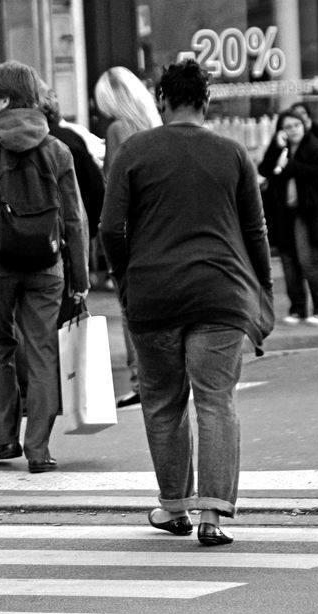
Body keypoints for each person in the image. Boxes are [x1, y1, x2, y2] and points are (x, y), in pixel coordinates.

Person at [99, 59, 274, 545]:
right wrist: (263, 285)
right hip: (220, 295)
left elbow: (111, 228)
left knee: (162, 402)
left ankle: (174, 507)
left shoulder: (134, 151)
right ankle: (213, 516)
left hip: (153, 295)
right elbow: (255, 230)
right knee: (216, 402)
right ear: (207, 100)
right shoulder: (233, 154)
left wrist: (126, 279)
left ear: (161, 100)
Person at [0, 61, 90, 474]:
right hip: (47, 265)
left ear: (6, 100)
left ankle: (6, 436)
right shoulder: (56, 148)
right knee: (43, 352)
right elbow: (75, 219)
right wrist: (78, 278)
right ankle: (39, 448)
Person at [93, 66, 163, 409]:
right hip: (160, 226)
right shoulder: (154, 125)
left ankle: (141, 379)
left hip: (132, 231)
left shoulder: (118, 129)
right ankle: (163, 376)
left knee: (131, 307)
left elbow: (114, 185)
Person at [257, 109, 318, 326]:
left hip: (307, 213)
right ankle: (297, 309)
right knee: (288, 262)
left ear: (304, 126)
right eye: (287, 127)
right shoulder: (281, 148)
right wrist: (275, 146)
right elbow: (264, 169)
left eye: (296, 126)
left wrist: (288, 167)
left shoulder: (314, 146)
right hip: (284, 213)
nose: (292, 130)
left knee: (308, 260)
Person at [39, 83, 104, 325]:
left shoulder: (6, 145)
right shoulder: (70, 141)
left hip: (28, 248)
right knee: (68, 318)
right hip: (67, 246)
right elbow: (95, 193)